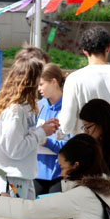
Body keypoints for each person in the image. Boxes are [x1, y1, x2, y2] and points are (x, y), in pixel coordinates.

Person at [0, 56, 48, 199]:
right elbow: (15, 149)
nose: (41, 83)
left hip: (17, 178)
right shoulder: (15, 111)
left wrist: (41, 130)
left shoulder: (20, 108)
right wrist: (42, 132)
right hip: (12, 180)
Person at [36, 63, 68, 194]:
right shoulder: (38, 106)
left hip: (58, 175)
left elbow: (70, 146)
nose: (38, 88)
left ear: (54, 82)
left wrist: (47, 142)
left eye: (41, 84)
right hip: (36, 173)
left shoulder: (68, 108)